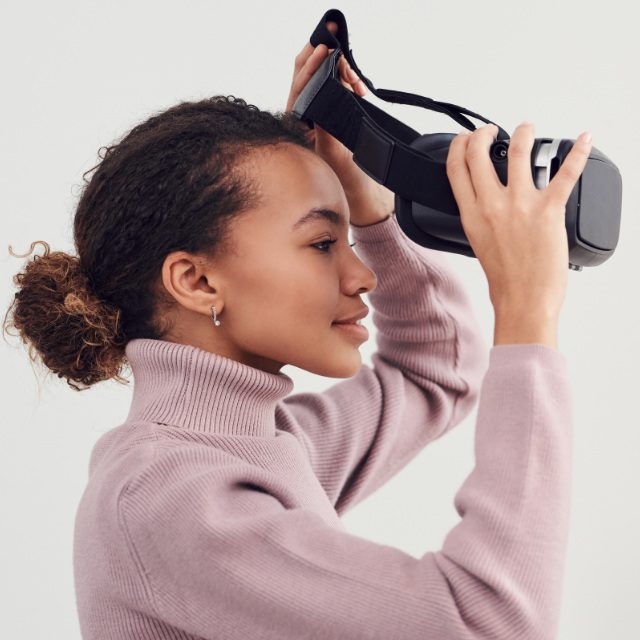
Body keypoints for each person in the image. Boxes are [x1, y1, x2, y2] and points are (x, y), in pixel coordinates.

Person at [3, 21, 592, 640]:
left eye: (348, 240)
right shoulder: (171, 496)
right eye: (321, 243)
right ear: (196, 281)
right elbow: (490, 623)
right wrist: (526, 308)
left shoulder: (264, 446)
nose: (362, 275)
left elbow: (437, 372)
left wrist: (371, 208)